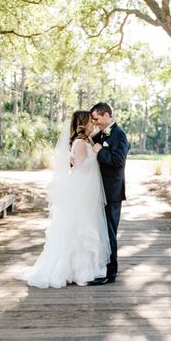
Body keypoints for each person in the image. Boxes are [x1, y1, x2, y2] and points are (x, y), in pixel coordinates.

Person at [17, 110, 110, 288]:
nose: (93, 124)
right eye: (91, 122)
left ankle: (80, 269)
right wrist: (94, 155)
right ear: (83, 124)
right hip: (82, 189)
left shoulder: (85, 141)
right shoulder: (81, 143)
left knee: (81, 225)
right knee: (80, 226)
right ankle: (77, 271)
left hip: (85, 188)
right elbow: (82, 165)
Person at [88, 102, 130, 285]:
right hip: (99, 191)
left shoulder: (119, 135)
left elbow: (118, 162)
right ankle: (100, 267)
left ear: (106, 115)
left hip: (112, 192)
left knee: (109, 232)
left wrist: (100, 151)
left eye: (96, 119)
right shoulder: (102, 134)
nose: (95, 123)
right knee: (101, 231)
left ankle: (110, 273)